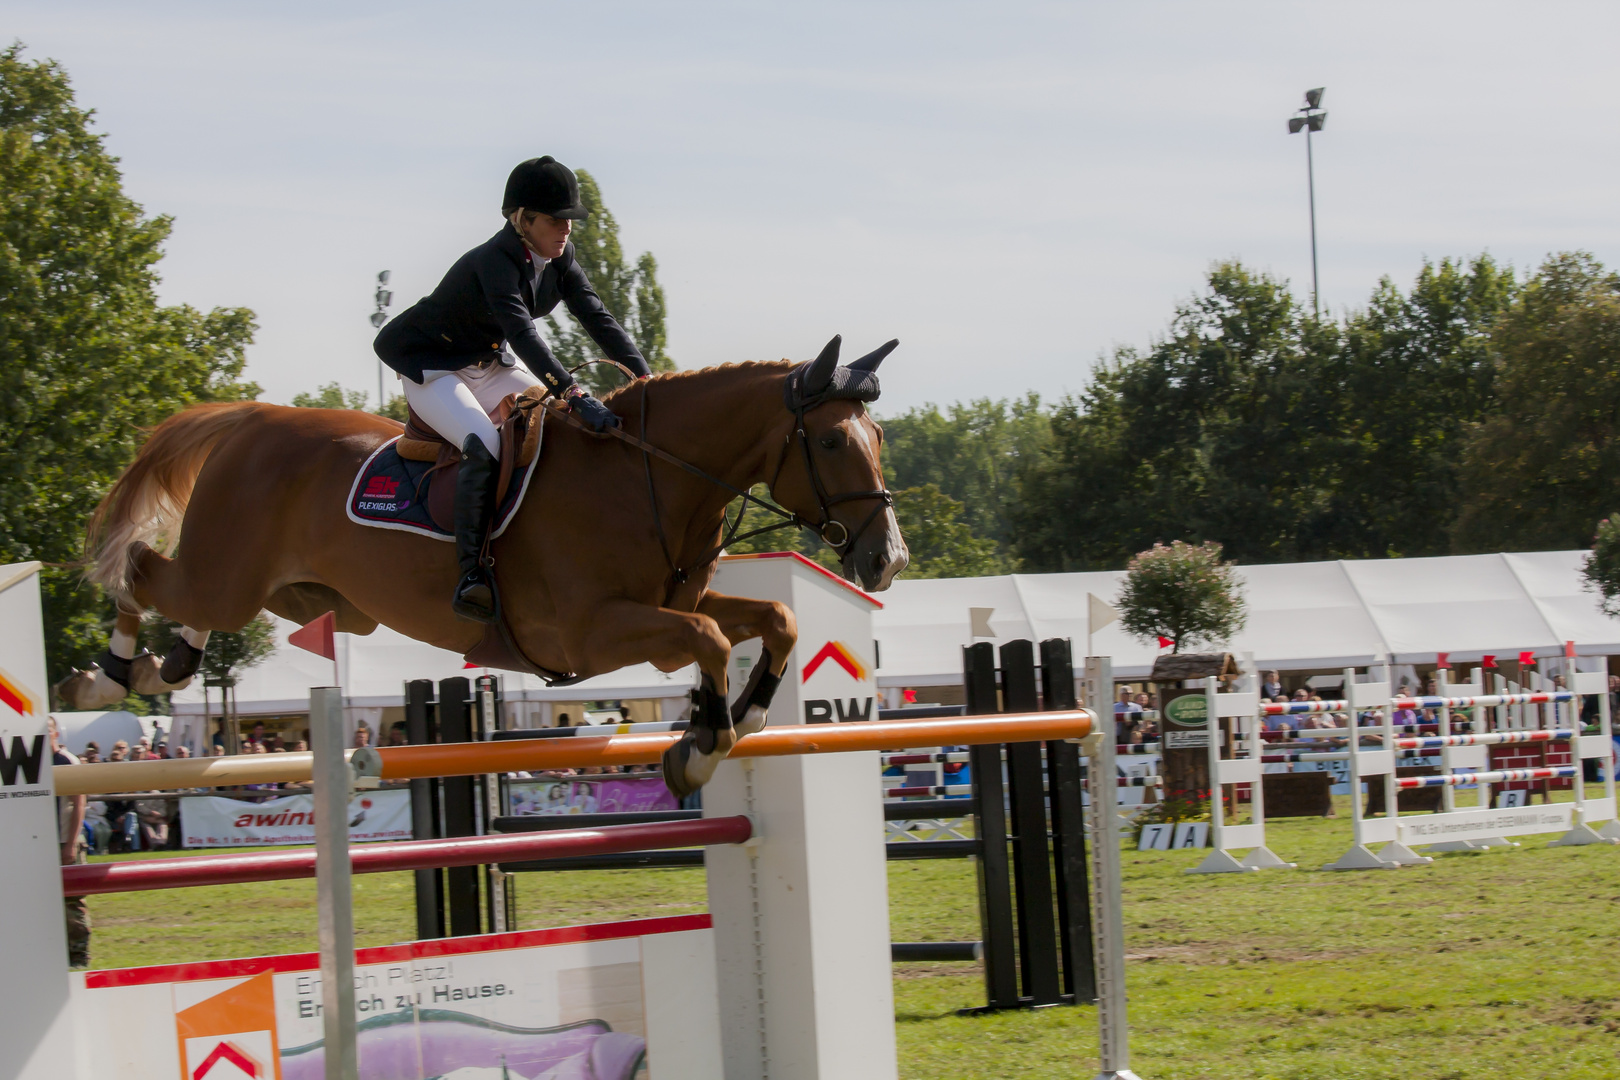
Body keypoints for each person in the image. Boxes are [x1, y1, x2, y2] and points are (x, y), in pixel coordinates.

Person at [374, 156, 652, 623]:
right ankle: (471, 575)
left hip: (489, 364)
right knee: (482, 443)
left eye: (569, 219)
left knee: (558, 428)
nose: (565, 229)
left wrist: (648, 380)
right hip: (434, 367)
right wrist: (576, 393)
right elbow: (524, 335)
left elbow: (598, 320)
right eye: (555, 219)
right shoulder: (494, 261)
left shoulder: (561, 261)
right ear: (523, 219)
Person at [50, 718, 90, 968]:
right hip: (40, 841)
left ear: (55, 733)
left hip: (65, 838)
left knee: (72, 901)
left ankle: (78, 955)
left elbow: (79, 803)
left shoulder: (67, 760)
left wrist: (71, 843)